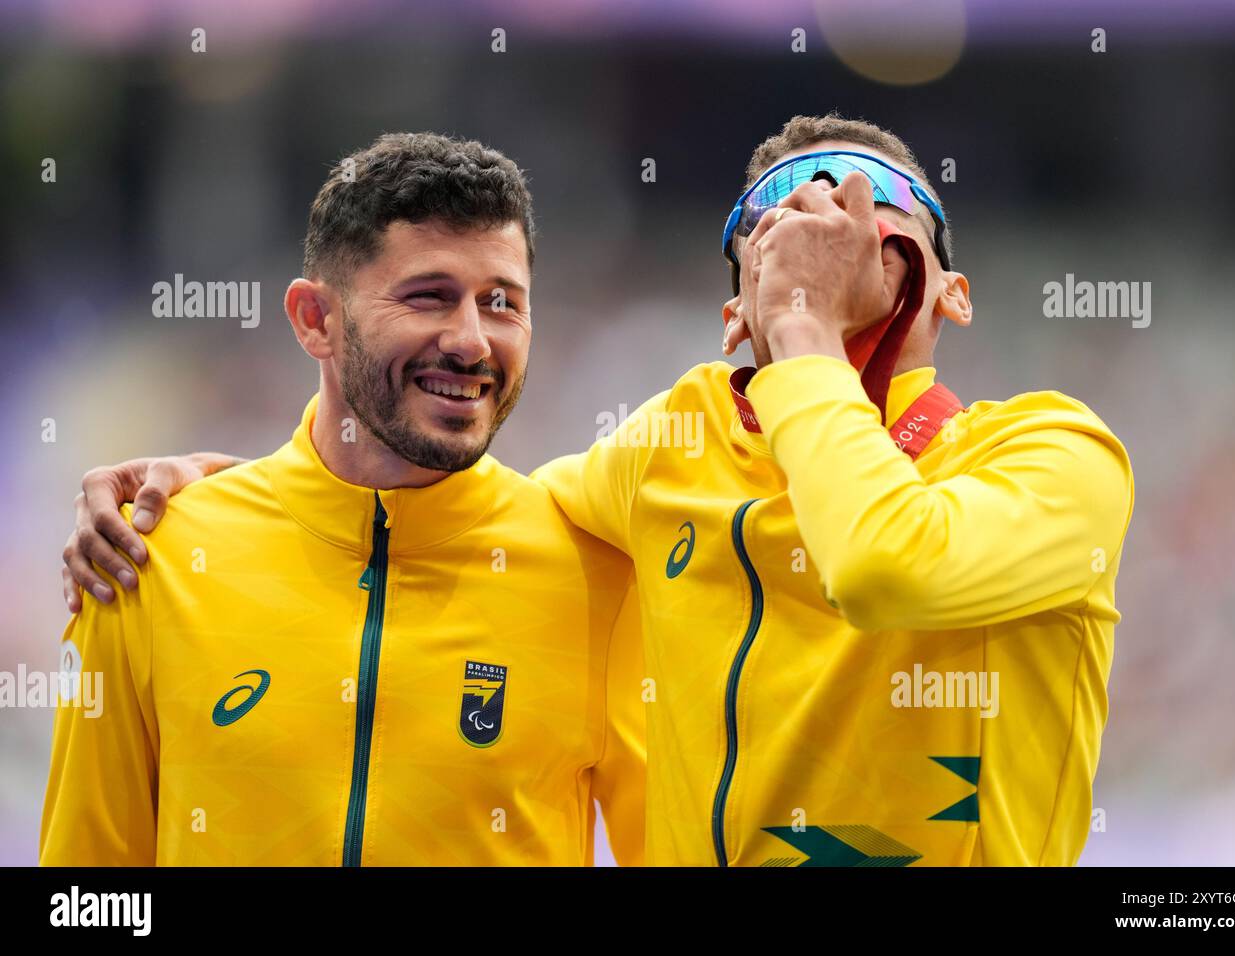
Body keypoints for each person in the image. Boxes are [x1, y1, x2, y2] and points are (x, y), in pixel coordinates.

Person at [62, 114, 1134, 867]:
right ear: (734, 316)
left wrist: (801, 326)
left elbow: (885, 558)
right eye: (780, 240)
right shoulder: (658, 465)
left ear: (952, 288)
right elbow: (412, 499)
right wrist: (227, 488)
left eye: (872, 224)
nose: (821, 243)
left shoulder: (1055, 456)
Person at [41, 132, 644, 866]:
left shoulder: (600, 576)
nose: (472, 341)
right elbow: (84, 894)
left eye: (501, 303)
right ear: (314, 320)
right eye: (430, 296)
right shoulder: (150, 560)